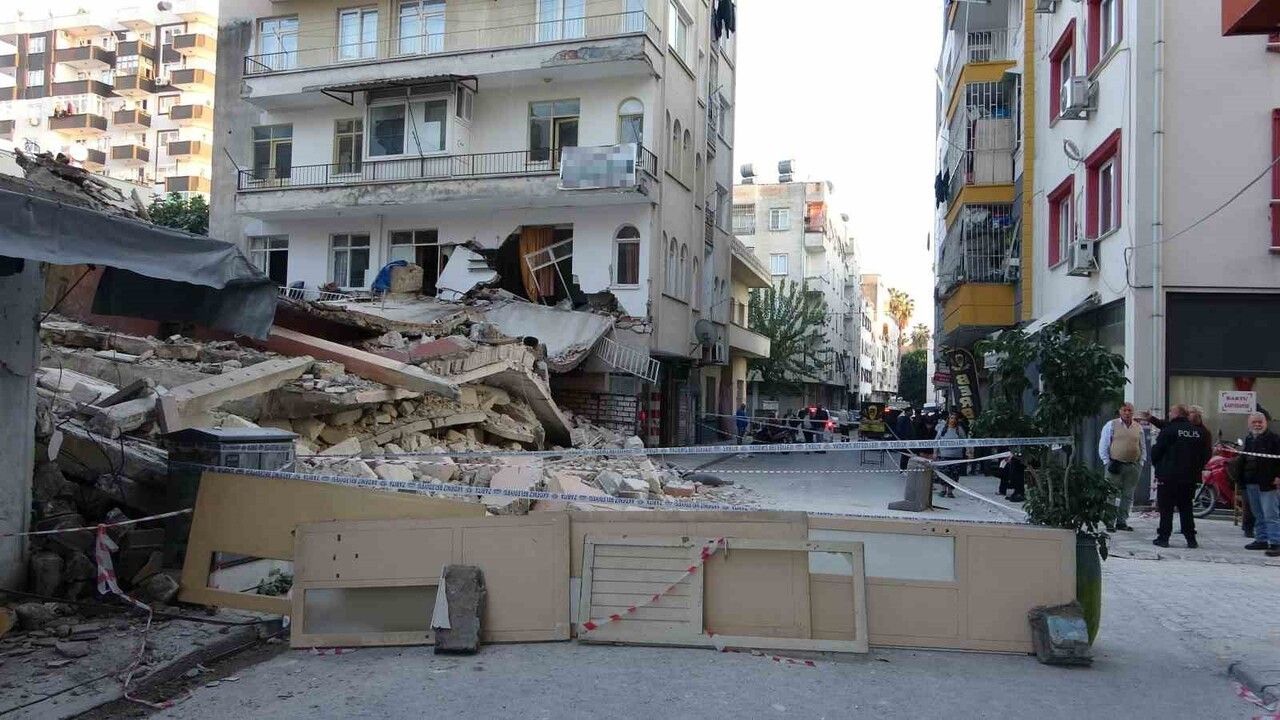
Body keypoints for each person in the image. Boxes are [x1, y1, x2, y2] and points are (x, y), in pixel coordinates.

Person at [1150, 404, 1211, 549]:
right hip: (1189, 477)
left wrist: (1158, 466)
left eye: (1170, 412)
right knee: (1186, 508)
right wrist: (1197, 469)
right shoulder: (1199, 432)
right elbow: (1206, 454)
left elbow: (1157, 451)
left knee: (1166, 508)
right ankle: (1191, 539)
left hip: (1168, 476)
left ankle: (1163, 537)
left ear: (1176, 414)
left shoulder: (1168, 430)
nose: (1169, 414)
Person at [1237, 411, 1280, 556]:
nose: (1257, 425)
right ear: (1249, 424)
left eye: (1259, 422)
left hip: (1268, 483)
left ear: (1265, 423)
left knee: (1271, 514)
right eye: (1254, 422)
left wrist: (1278, 476)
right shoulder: (1249, 439)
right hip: (1251, 482)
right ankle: (1261, 539)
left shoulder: (1274, 439)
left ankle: (1276, 542)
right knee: (1258, 513)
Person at [1098, 402, 1144, 532]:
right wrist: (1106, 461)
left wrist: (1141, 461)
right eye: (1125, 410)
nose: (1127, 413)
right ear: (1120, 411)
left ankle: (1122, 521)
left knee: (1128, 494)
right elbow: (1104, 444)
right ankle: (1109, 522)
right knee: (1111, 494)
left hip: (1133, 465)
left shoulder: (1138, 427)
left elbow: (1142, 445)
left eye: (1130, 410)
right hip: (1115, 464)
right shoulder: (1111, 425)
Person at [935, 412, 967, 498]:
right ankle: (943, 490)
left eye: (954, 418)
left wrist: (968, 451)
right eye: (951, 418)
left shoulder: (959, 429)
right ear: (948, 419)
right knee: (943, 473)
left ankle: (950, 491)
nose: (953, 420)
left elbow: (965, 441)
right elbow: (936, 441)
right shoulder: (942, 429)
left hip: (956, 456)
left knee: (954, 474)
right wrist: (935, 453)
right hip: (944, 455)